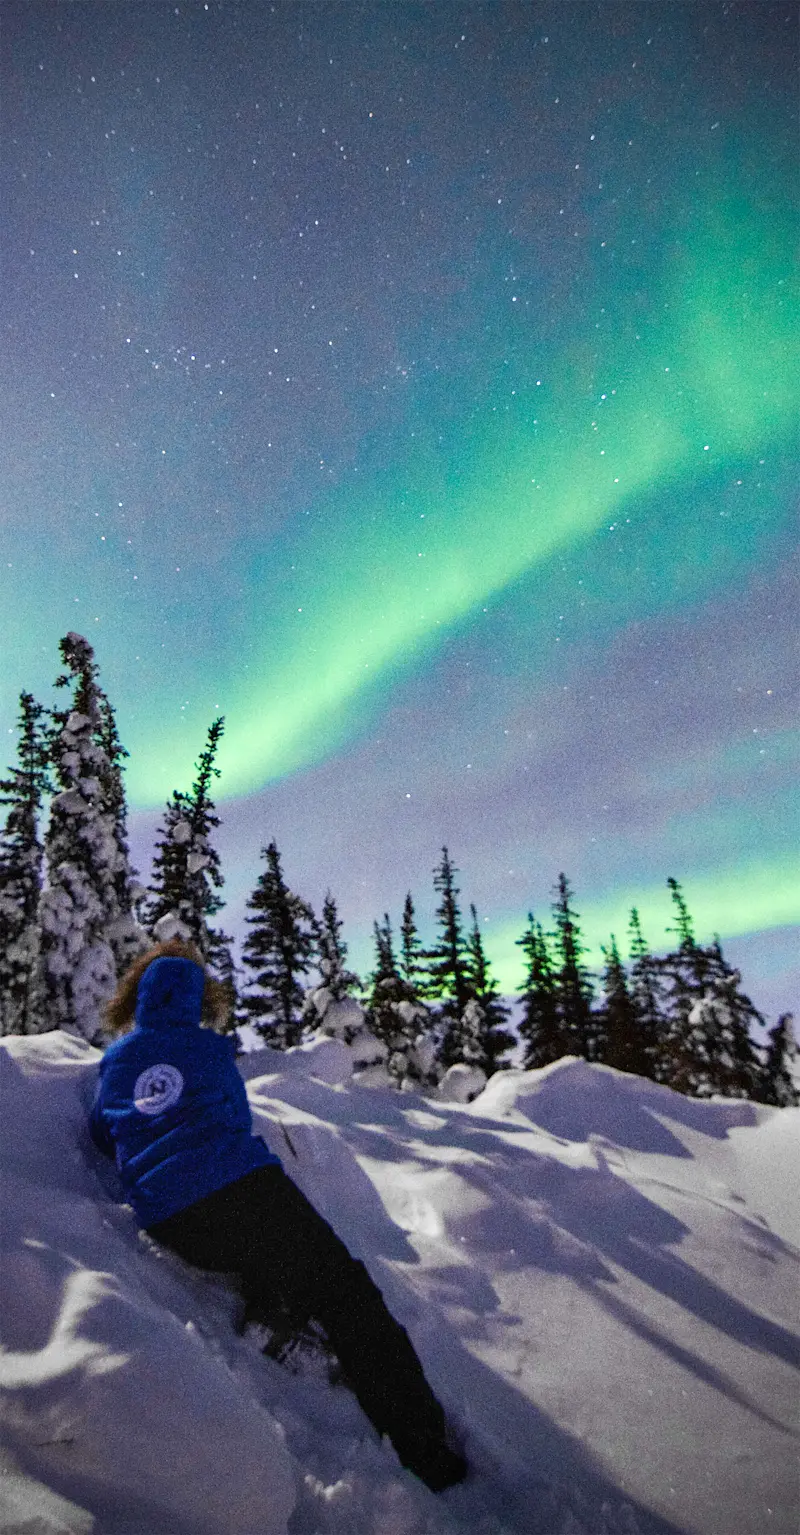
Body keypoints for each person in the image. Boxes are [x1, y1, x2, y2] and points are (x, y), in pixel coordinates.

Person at [89, 940, 467, 1493]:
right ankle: (425, 1448)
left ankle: (273, 1314)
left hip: (169, 1220)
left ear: (138, 997)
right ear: (198, 999)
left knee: (263, 1252)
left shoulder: (116, 1061)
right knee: (345, 1289)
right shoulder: (210, 1049)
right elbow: (237, 1119)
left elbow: (103, 1135)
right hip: (240, 1188)